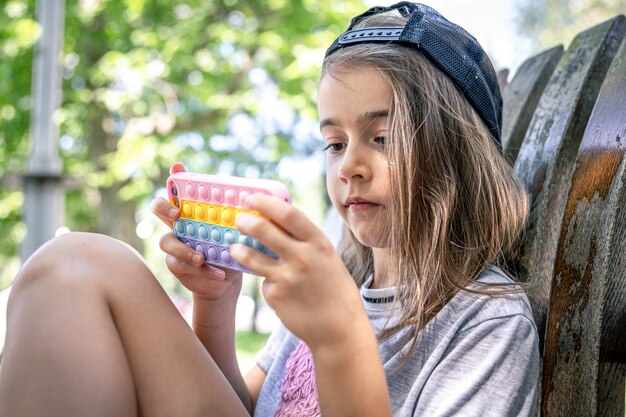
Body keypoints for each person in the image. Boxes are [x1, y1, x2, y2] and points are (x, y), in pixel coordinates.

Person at [0, 2, 539, 416]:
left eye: (383, 136)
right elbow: (246, 404)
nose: (349, 164)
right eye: (334, 143)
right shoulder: (339, 284)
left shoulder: (486, 323)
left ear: (458, 154)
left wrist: (338, 336)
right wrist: (216, 301)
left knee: (81, 264)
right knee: (74, 265)